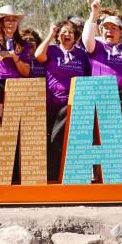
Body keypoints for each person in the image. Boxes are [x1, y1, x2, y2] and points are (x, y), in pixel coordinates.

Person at [83, 0, 122, 175]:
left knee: (121, 137)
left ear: (121, 31)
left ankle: (118, 174)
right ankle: (100, 176)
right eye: (105, 28)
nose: (109, 31)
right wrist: (94, 16)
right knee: (101, 138)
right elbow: (87, 39)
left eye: (113, 28)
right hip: (101, 96)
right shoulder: (97, 47)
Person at [35, 20, 89, 181]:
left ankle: (66, 174)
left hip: (73, 102)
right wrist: (50, 34)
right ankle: (50, 174)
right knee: (50, 137)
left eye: (71, 32)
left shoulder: (81, 55)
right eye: (64, 32)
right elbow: (38, 55)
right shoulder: (52, 50)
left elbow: (87, 76)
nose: (67, 35)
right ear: (59, 35)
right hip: (52, 101)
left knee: (65, 139)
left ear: (75, 37)